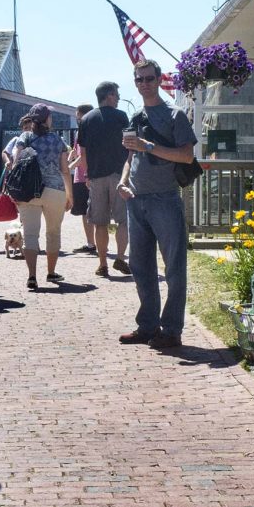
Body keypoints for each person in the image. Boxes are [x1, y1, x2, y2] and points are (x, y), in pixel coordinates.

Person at [117, 59, 197, 348]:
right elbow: (130, 157)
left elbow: (187, 156)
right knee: (140, 267)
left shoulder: (175, 115)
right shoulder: (135, 116)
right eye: (139, 80)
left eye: (149, 79)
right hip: (136, 200)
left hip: (165, 199)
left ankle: (172, 329)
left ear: (159, 79)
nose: (144, 84)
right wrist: (123, 181)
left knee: (174, 267)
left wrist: (149, 146)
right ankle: (148, 325)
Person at [11, 103, 73, 289]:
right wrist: (70, 194)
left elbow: (16, 157)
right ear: (47, 119)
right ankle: (51, 272)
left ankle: (32, 276)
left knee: (30, 234)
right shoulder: (57, 140)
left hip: (28, 192)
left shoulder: (25, 137)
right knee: (53, 232)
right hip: (55, 190)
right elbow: (65, 170)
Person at [76, 81, 130, 277]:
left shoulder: (87, 119)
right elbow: (130, 144)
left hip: (96, 177)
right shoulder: (122, 117)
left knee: (99, 222)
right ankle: (120, 258)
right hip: (118, 175)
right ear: (108, 96)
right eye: (116, 95)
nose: (117, 98)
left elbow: (83, 153)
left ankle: (102, 264)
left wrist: (87, 174)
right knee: (123, 221)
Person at [67, 104, 96, 253]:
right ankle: (90, 243)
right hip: (81, 177)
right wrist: (71, 153)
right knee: (85, 212)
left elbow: (83, 156)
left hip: (87, 176)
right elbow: (76, 151)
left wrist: (69, 167)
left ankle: (93, 244)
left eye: (79, 117)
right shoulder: (81, 132)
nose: (78, 120)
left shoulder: (91, 131)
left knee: (91, 212)